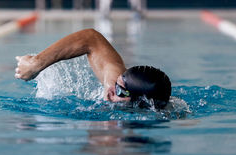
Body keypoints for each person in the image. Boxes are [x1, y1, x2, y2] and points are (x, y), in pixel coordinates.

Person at [15, 28, 171, 109]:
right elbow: (91, 38)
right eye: (116, 84)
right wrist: (36, 63)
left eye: (121, 92)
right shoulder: (116, 84)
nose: (110, 90)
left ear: (142, 103)